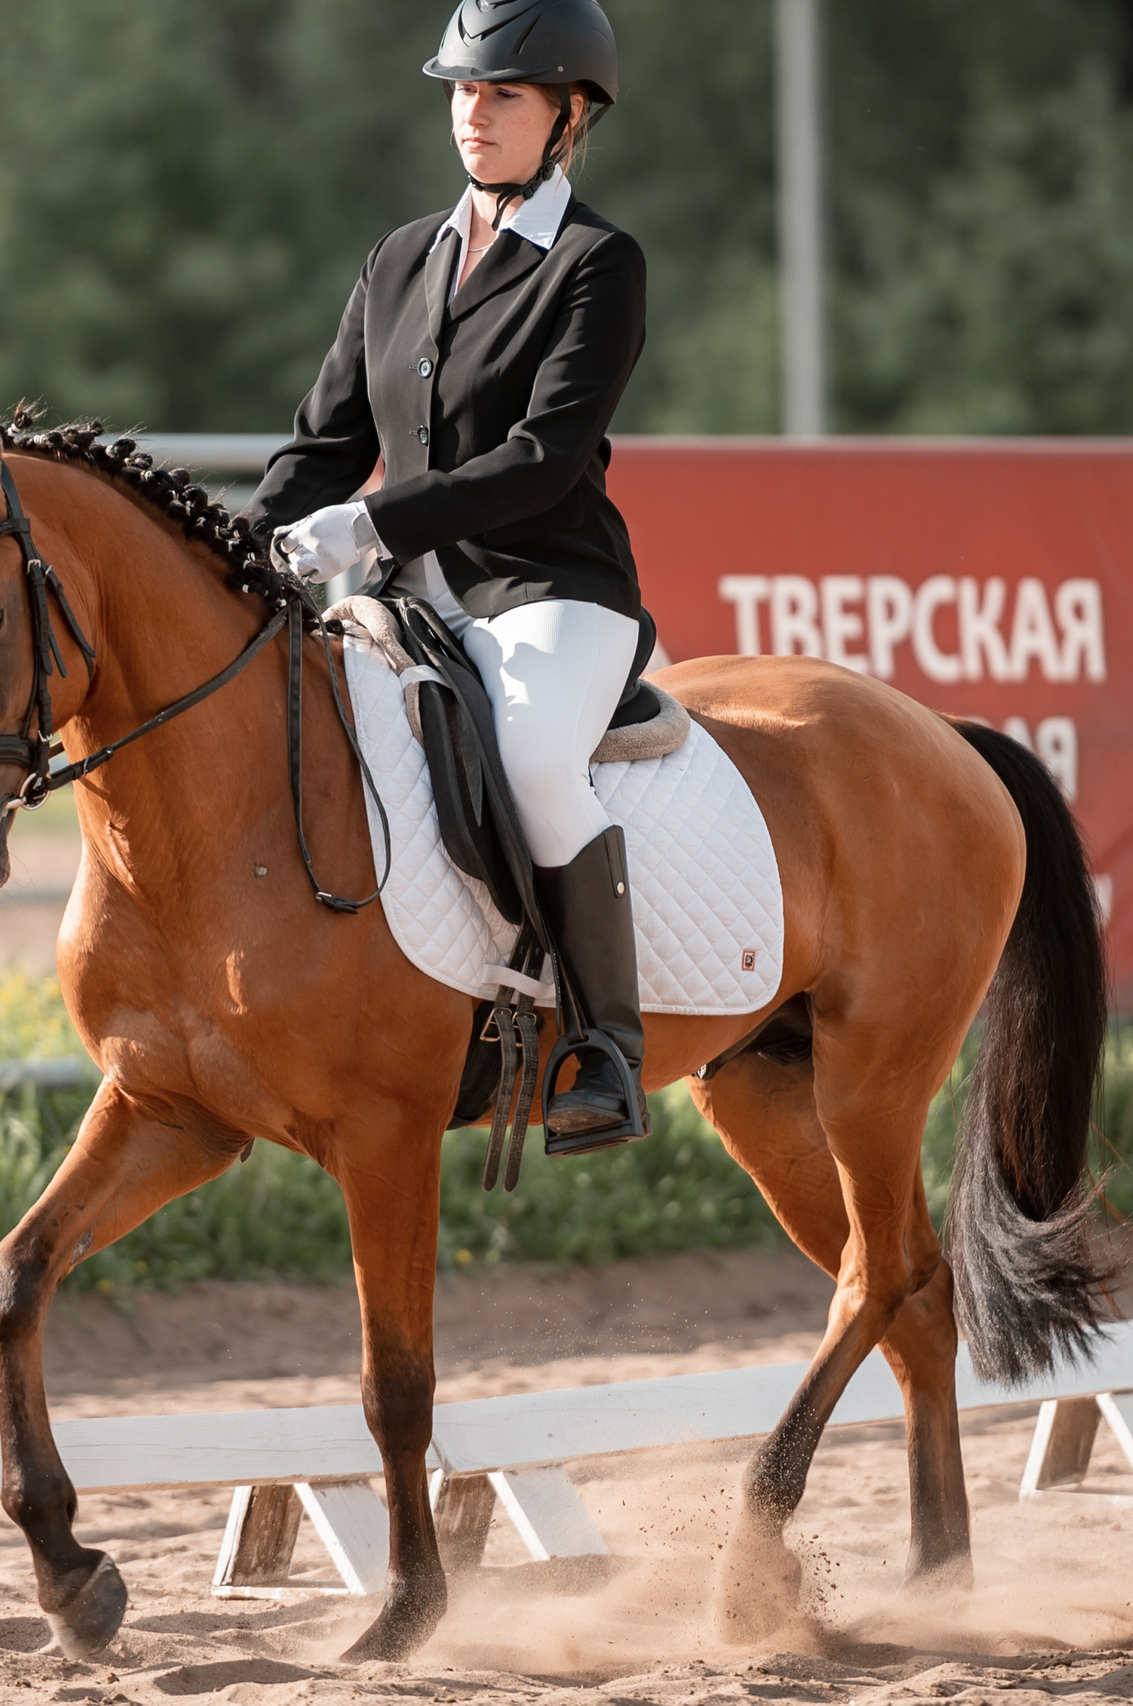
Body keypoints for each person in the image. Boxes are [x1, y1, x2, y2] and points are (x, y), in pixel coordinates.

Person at [245, 0, 651, 1153]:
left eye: (503, 95)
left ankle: (605, 1045)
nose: (472, 113)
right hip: (410, 593)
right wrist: (246, 542)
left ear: (568, 116)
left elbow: (541, 459)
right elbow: (321, 440)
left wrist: (363, 527)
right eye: (462, 91)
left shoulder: (595, 264)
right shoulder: (398, 256)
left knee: (530, 755)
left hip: (548, 591)